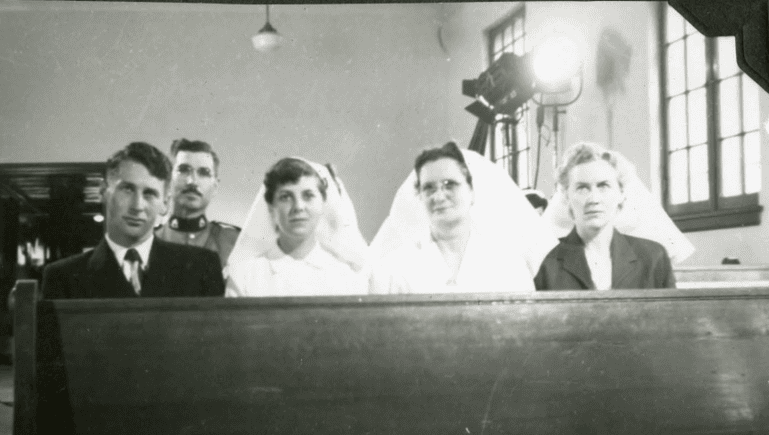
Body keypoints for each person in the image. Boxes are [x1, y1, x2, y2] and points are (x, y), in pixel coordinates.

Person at [41, 142, 224, 299]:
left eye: (149, 194)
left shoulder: (202, 268)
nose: (137, 206)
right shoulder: (63, 277)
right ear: (104, 192)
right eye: (127, 190)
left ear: (165, 203)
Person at [369, 142, 557, 294]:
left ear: (471, 192)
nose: (439, 196)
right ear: (419, 196)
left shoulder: (508, 264)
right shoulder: (395, 268)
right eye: (429, 188)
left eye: (449, 184)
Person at [534, 142, 693, 291]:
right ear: (566, 197)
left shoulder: (653, 257)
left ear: (621, 194)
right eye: (582, 188)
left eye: (603, 186)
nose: (594, 199)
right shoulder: (547, 262)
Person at [225, 157, 368, 297]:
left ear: (323, 203)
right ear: (271, 208)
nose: (298, 207)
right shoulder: (244, 276)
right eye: (286, 197)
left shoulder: (345, 277)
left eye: (308, 195)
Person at [155, 139, 240, 269]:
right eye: (183, 170)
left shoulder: (234, 243)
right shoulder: (147, 240)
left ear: (215, 187)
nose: (192, 181)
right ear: (168, 181)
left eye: (204, 173)